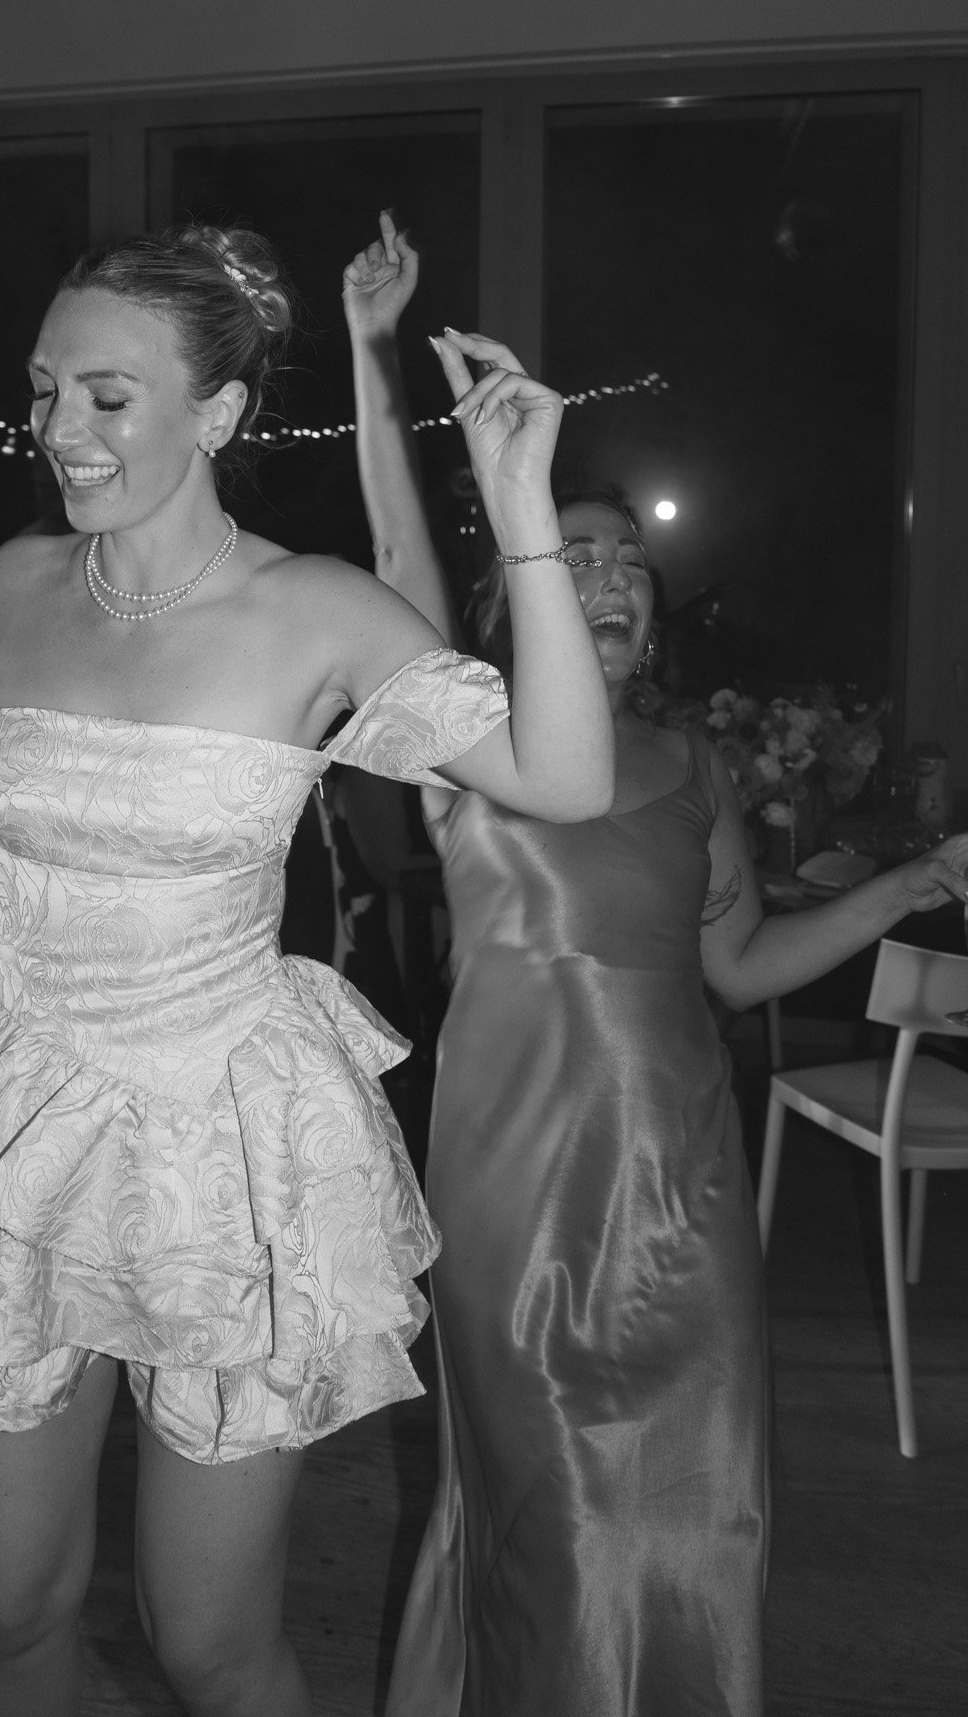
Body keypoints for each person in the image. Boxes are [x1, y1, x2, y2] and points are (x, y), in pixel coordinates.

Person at [0, 223, 614, 1717]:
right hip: (14, 1127)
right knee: (6, 1615)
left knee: (207, 1643)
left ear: (220, 412)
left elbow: (563, 778)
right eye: (45, 388)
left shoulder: (315, 609)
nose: (60, 426)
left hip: (219, 1149)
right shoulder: (15, 581)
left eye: (108, 396)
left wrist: (521, 517)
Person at [343, 212, 968, 1717]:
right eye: (577, 551)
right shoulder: (466, 732)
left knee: (695, 1491)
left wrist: (917, 880)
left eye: (629, 559)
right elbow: (397, 557)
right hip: (513, 1167)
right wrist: (370, 353)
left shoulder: (696, 763)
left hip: (680, 1174)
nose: (611, 575)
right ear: (521, 583)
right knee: (550, 1487)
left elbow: (739, 967)